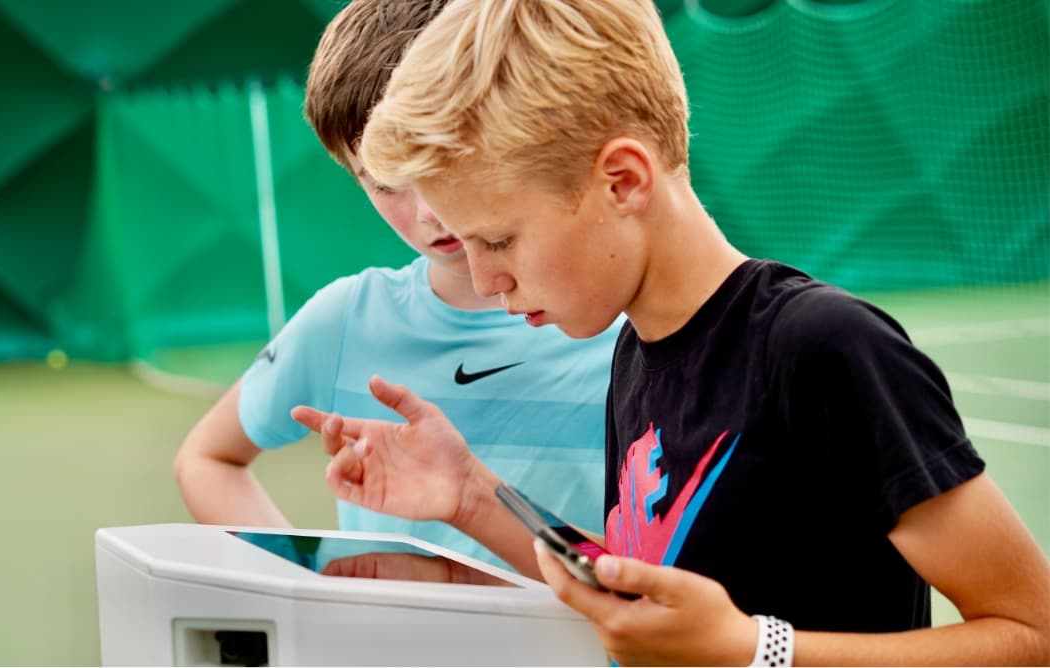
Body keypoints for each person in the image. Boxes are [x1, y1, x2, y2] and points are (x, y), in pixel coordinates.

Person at [289, 0, 1050, 664]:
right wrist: (473, 497)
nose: (486, 281)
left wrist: (759, 651)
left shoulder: (821, 348)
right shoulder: (632, 349)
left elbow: (1029, 633)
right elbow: (640, 582)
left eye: (499, 241)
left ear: (621, 180)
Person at [173, 0, 622, 569]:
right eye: (386, 182)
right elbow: (207, 458)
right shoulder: (345, 318)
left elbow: (645, 582)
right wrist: (311, 584)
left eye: (445, 161)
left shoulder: (625, 326)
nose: (430, 211)